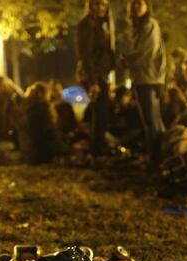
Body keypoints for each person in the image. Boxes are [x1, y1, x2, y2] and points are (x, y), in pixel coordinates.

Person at [123, 0, 166, 164]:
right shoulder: (139, 27)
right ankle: (158, 155)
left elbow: (146, 53)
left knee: (152, 121)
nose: (136, 7)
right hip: (143, 79)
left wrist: (126, 61)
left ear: (147, 6)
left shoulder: (149, 25)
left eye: (140, 3)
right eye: (134, 4)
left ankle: (156, 158)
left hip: (149, 79)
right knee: (151, 120)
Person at [76, 0, 114, 156]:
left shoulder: (101, 24)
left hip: (101, 73)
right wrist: (93, 81)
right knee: (100, 113)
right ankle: (96, 150)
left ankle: (98, 147)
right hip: (94, 75)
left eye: (104, 5)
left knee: (101, 112)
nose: (100, 8)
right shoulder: (87, 25)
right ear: (90, 5)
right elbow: (86, 54)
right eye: (97, 4)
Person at [17, 82, 60, 164]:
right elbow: (46, 134)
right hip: (41, 154)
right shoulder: (43, 110)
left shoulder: (24, 109)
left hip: (27, 152)